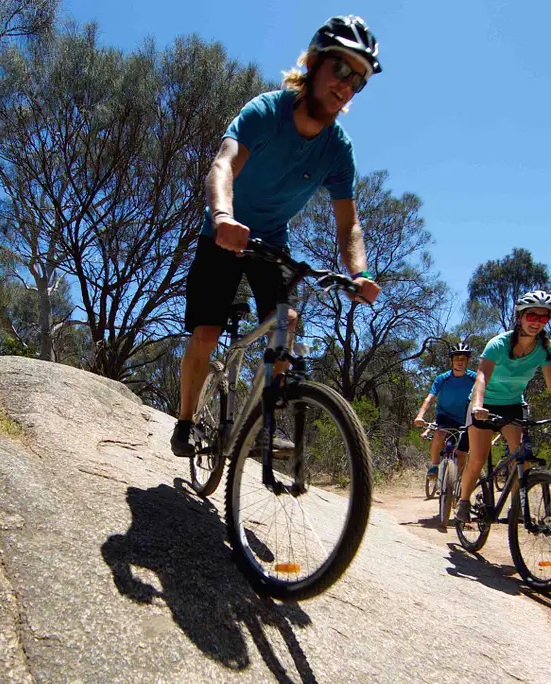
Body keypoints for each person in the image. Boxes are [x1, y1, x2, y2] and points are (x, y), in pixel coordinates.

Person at [171, 15, 383, 456]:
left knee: (285, 325)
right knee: (206, 334)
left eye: (358, 80)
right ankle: (187, 420)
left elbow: (349, 224)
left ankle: (265, 421)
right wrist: (223, 217)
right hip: (224, 232)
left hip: (270, 241)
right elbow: (223, 165)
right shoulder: (267, 112)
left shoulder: (338, 150)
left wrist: (358, 273)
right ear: (314, 63)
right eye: (340, 69)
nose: (346, 84)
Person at [454, 291, 551, 522]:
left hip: (513, 404)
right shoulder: (498, 344)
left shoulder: (546, 348)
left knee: (520, 458)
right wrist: (477, 406)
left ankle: (516, 510)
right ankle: (463, 501)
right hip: (484, 405)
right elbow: (482, 377)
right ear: (521, 317)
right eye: (532, 315)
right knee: (478, 458)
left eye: (543, 318)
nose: (536, 322)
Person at [414, 343, 475, 480]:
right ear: (451, 360)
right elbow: (430, 398)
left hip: (466, 419)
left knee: (461, 453)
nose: (460, 362)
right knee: (439, 434)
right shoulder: (442, 378)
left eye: (463, 359)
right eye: (457, 358)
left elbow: (484, 395)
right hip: (445, 416)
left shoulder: (474, 378)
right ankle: (435, 466)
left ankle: (458, 485)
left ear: (468, 361)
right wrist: (420, 415)